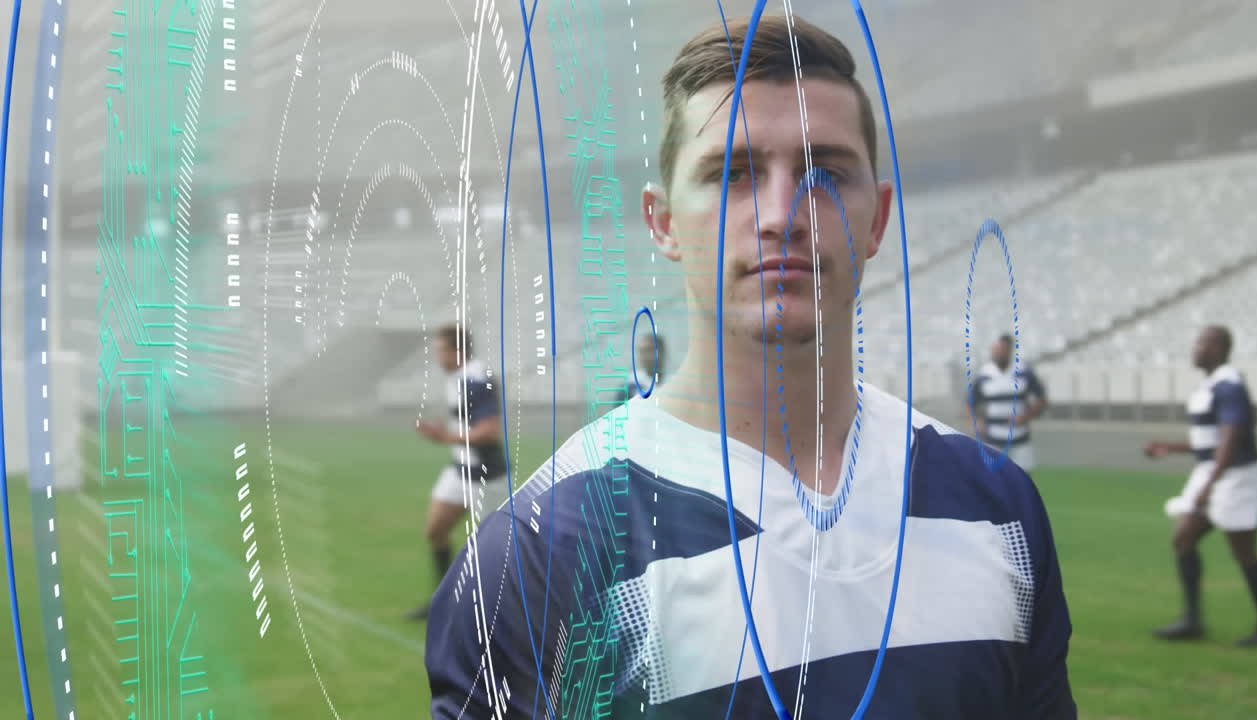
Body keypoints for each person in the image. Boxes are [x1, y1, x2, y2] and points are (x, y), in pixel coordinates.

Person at [426, 15, 1075, 718]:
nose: (782, 213)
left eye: (823, 172)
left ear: (878, 218)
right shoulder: (542, 555)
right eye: (732, 174)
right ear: (664, 221)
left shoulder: (997, 512)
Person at [1145, 325, 1257, 646]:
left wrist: (1209, 485)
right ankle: (1192, 621)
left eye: (1202, 343)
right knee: (1184, 538)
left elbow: (1232, 438)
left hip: (1238, 477)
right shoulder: (1214, 385)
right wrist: (1170, 448)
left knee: (1244, 552)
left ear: (1218, 348)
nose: (1195, 348)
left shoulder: (1229, 385)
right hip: (1215, 472)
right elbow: (1212, 441)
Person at [406, 322, 508, 621]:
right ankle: (443, 602)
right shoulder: (457, 378)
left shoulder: (477, 380)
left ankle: (505, 611)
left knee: (497, 550)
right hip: (459, 471)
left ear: (458, 351)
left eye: (441, 350)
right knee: (435, 530)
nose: (438, 357)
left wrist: (443, 437)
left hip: (487, 476)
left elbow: (489, 433)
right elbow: (467, 422)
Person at [970, 334, 1049, 472]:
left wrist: (1025, 416)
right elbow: (970, 402)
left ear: (1010, 350)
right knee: (994, 482)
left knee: (1023, 480)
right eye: (996, 349)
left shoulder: (1024, 372)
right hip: (993, 439)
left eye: (1002, 350)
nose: (999, 353)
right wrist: (976, 421)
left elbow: (1042, 400)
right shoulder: (984, 374)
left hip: (1019, 439)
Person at [617, 331, 666, 402]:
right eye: (641, 351)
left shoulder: (674, 383)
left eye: (649, 350)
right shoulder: (629, 388)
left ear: (661, 351)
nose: (644, 356)